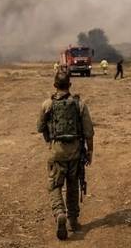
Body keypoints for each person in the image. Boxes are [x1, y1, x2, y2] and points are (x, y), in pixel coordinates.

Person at [37, 71, 94, 240]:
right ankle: (73, 221)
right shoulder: (79, 104)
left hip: (57, 151)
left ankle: (59, 212)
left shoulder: (47, 104)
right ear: (69, 85)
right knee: (73, 185)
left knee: (54, 185)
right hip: (76, 151)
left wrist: (50, 140)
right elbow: (89, 132)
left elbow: (40, 127)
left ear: (55, 85)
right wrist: (90, 151)